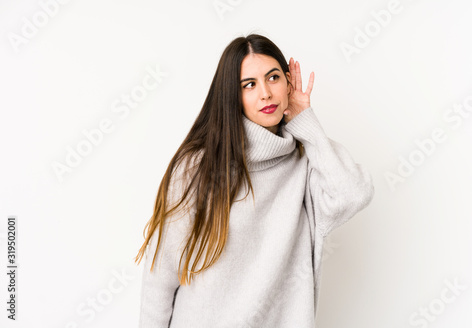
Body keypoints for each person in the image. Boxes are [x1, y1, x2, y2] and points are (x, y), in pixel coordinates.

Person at [135, 33, 374, 328]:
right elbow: (161, 275)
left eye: (273, 78)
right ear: (232, 96)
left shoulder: (307, 165)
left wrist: (306, 122)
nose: (265, 93)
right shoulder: (199, 165)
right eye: (249, 84)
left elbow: (354, 194)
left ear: (289, 83)